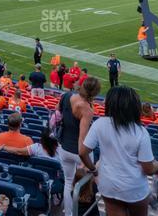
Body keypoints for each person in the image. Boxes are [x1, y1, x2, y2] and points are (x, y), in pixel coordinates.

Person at [80, 86, 158, 216]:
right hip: (134, 189)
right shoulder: (140, 132)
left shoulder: (99, 123)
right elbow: (148, 169)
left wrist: (94, 170)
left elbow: (83, 152)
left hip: (109, 186)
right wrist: (157, 165)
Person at [53, 76, 101, 216]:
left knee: (69, 182)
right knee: (87, 186)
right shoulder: (86, 109)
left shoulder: (67, 95)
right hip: (78, 152)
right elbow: (82, 141)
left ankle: (69, 213)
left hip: (64, 147)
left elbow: (57, 112)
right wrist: (92, 167)